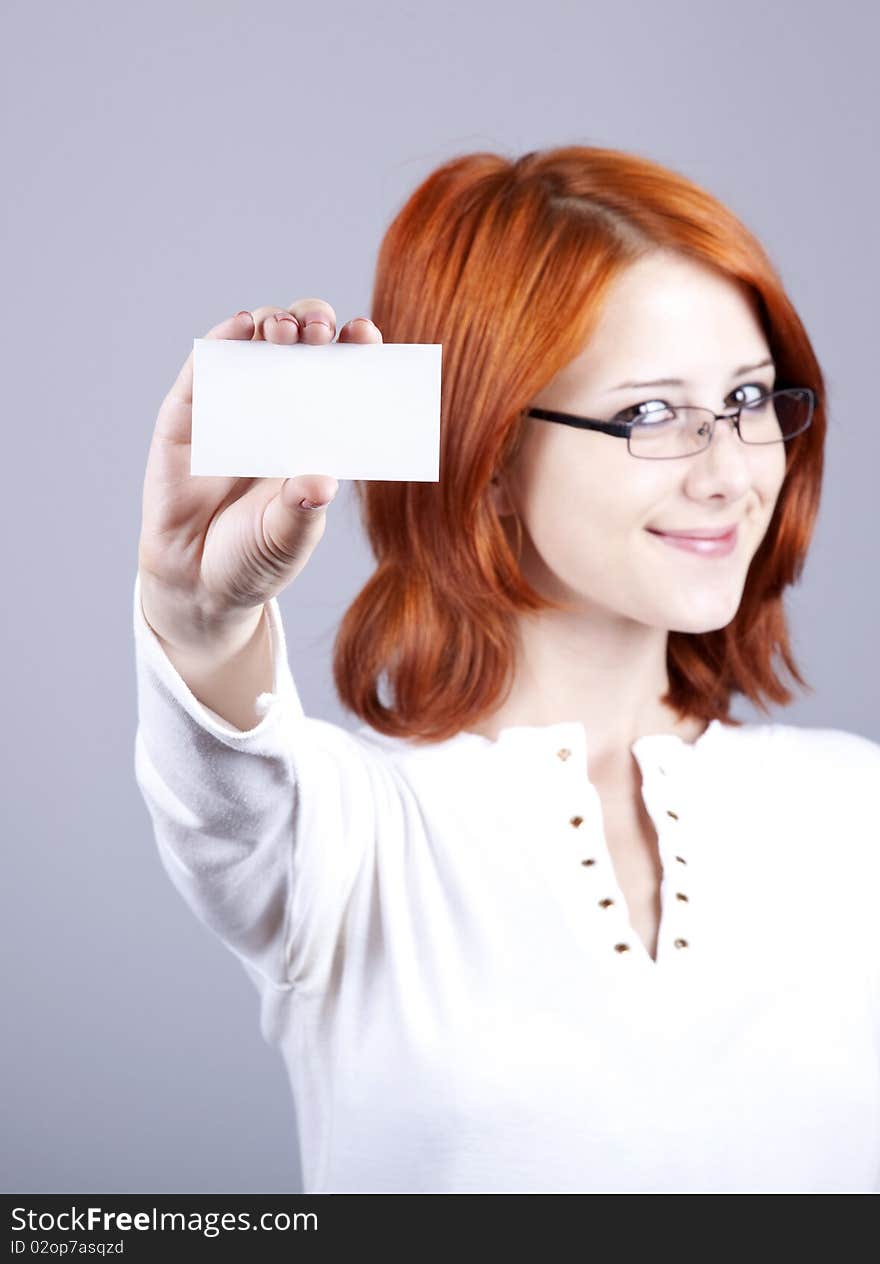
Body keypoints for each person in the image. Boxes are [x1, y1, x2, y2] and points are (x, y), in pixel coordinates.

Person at [132, 144, 880, 1194]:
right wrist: (198, 613)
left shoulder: (856, 809)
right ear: (488, 465)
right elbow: (222, 774)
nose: (728, 472)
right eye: (651, 415)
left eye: (751, 400)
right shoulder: (345, 839)